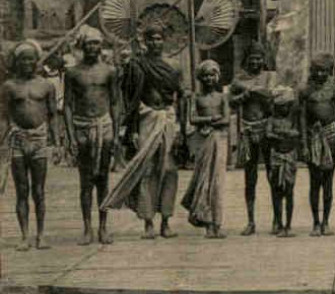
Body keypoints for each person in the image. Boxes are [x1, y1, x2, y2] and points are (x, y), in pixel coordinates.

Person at [101, 21, 184, 239]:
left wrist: (182, 128)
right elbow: (132, 98)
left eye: (159, 39)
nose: (155, 43)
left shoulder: (173, 65)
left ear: (164, 41)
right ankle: (148, 222)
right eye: (151, 39)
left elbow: (181, 96)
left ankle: (166, 221)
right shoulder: (138, 65)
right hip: (146, 117)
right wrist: (134, 130)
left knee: (169, 170)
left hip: (167, 117)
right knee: (147, 170)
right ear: (144, 42)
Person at [0, 40, 59, 250]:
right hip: (17, 140)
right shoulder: (9, 86)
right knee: (21, 190)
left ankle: (41, 235)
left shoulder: (46, 85)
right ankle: (25, 235)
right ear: (16, 62)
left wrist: (58, 143)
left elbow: (53, 116)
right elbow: (4, 118)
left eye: (30, 59)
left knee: (39, 191)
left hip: (39, 140)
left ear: (37, 61)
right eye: (23, 59)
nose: (27, 63)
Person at [64, 25, 119, 245]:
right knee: (85, 181)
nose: (92, 47)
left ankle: (103, 227)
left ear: (101, 46)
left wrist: (115, 133)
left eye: (96, 43)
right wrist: (70, 136)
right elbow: (67, 104)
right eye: (88, 43)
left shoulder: (109, 71)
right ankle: (87, 227)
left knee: (103, 179)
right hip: (82, 126)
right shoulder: (73, 72)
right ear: (82, 46)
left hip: (104, 125)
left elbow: (115, 102)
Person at [228, 43, 277, 235]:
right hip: (247, 130)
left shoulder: (269, 76)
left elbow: (270, 95)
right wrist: (247, 93)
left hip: (266, 128)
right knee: (250, 177)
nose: (256, 62)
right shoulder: (239, 78)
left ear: (264, 60)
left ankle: (277, 218)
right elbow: (231, 102)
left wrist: (249, 90)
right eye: (252, 58)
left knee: (272, 174)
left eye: (259, 58)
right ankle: (250, 221)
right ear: (246, 59)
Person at [181, 59, 230, 238]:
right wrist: (210, 120)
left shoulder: (222, 97)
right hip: (202, 141)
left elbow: (226, 119)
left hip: (219, 140)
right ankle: (207, 223)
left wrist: (211, 121)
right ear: (201, 78)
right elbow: (192, 118)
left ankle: (217, 223)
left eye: (212, 75)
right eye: (206, 75)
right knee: (204, 180)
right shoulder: (196, 98)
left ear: (217, 77)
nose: (209, 79)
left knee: (217, 182)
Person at [300, 53, 335, 236]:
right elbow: (301, 118)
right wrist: (304, 144)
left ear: (330, 71)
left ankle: (326, 222)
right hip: (313, 136)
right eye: (316, 70)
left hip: (331, 135)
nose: (320, 74)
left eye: (324, 71)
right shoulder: (305, 91)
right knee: (315, 181)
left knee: (328, 182)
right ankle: (316, 222)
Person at [266, 86, 300, 237]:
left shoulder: (292, 120)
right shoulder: (272, 120)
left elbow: (297, 133)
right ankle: (279, 223)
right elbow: (268, 133)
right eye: (281, 106)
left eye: (286, 106)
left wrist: (287, 133)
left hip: (290, 156)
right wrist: (281, 134)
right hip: (276, 157)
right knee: (277, 191)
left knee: (289, 191)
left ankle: (289, 224)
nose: (284, 108)